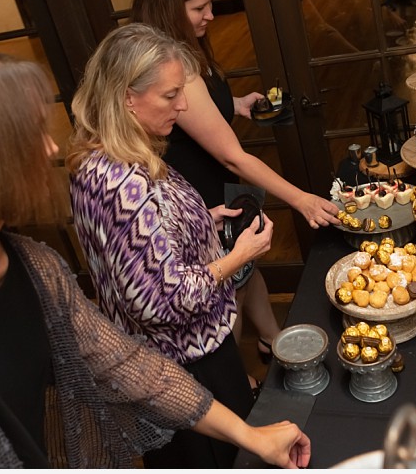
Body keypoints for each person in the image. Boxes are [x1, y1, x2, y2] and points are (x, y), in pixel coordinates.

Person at [0, 46, 310, 469]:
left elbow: (130, 365)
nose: (51, 146)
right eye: (32, 132)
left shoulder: (31, 263)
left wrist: (250, 435)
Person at [67, 23, 282, 468]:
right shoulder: (124, 180)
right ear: (127, 96)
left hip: (161, 365)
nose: (182, 106)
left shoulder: (103, 156)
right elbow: (162, 300)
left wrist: (205, 217)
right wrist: (238, 256)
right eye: (170, 96)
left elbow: (140, 246)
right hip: (186, 365)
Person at [131, 0, 339, 361]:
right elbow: (232, 157)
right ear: (169, 6)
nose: (210, 15)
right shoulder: (169, 64)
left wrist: (236, 104)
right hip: (200, 191)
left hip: (211, 184)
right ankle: (238, 382)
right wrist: (299, 199)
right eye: (199, 7)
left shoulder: (183, 50)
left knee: (247, 272)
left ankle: (273, 343)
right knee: (229, 292)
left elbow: (198, 113)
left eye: (211, 3)